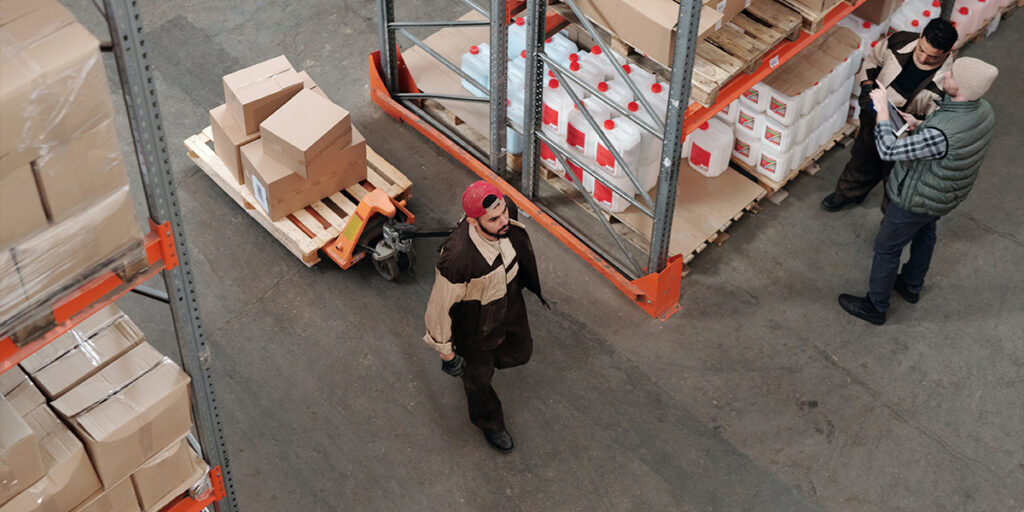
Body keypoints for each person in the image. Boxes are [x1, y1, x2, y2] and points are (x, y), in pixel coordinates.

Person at [838, 57, 997, 325]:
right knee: (925, 233)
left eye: (952, 75)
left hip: (917, 196)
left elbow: (888, 150)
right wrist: (918, 124)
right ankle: (911, 285)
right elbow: (949, 136)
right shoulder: (983, 110)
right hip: (942, 195)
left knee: (887, 248)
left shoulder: (942, 134)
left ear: (962, 88)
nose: (945, 75)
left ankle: (875, 306)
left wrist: (882, 112)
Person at [423, 180, 546, 452]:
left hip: (510, 304)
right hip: (475, 326)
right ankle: (490, 421)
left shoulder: (505, 215)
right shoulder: (457, 260)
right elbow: (439, 307)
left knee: (521, 352)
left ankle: (480, 369)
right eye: (494, 218)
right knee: (479, 381)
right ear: (472, 220)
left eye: (504, 211)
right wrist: (447, 353)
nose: (504, 220)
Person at [821, 19, 959, 212]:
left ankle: (890, 218)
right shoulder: (899, 41)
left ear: (948, 52)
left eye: (933, 57)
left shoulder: (949, 82)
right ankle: (847, 193)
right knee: (861, 158)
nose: (923, 58)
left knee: (896, 180)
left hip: (906, 139)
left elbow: (942, 121)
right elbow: (873, 59)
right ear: (920, 36)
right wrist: (867, 86)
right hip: (874, 117)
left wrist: (918, 124)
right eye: (921, 50)